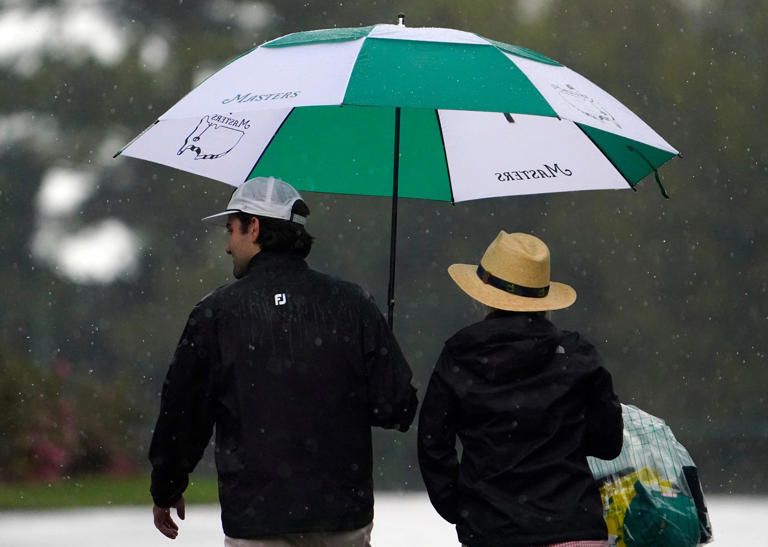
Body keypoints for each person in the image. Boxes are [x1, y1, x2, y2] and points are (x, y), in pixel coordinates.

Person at [149, 176, 418, 546]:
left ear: (254, 227)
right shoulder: (354, 304)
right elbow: (397, 408)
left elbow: (184, 413)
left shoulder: (215, 313)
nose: (228, 246)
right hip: (342, 517)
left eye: (231, 230)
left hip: (258, 519)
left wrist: (167, 485)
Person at [417, 231, 623, 547]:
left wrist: (459, 506)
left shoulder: (460, 355)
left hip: (491, 530)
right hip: (575, 526)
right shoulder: (578, 355)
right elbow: (608, 443)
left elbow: (433, 443)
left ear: (482, 295)